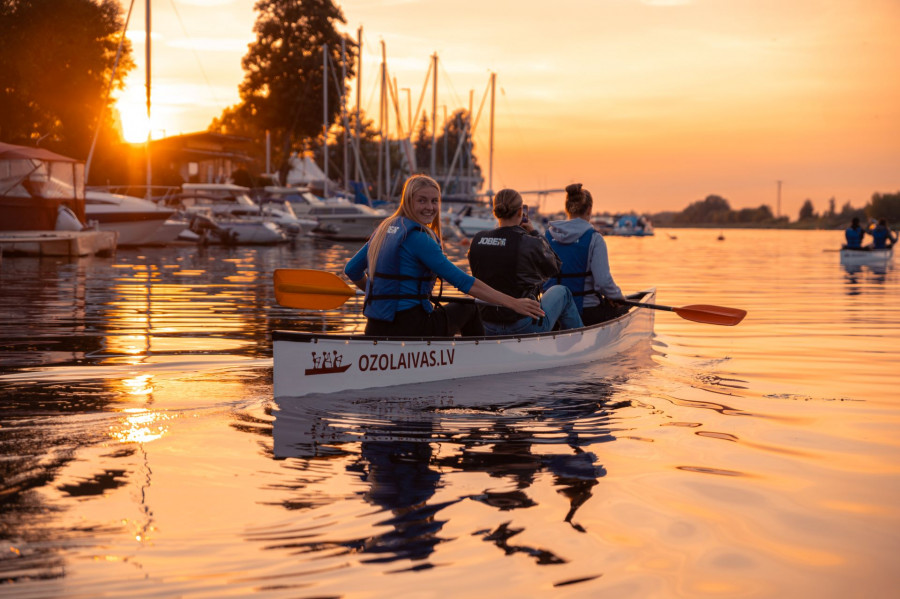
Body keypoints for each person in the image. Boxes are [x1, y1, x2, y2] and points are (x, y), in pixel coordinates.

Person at [344, 174, 544, 337]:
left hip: (375, 327)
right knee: (469, 308)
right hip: (410, 328)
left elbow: (352, 269)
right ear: (407, 201)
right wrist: (514, 303)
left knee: (457, 307)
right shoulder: (419, 238)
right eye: (421, 201)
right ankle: (478, 362)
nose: (429, 207)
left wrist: (379, 295)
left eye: (434, 201)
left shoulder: (384, 229)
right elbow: (466, 283)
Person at [467, 189, 583, 335]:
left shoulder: (478, 239)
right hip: (522, 325)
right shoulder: (527, 242)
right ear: (520, 211)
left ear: (495, 211)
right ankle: (579, 342)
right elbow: (555, 266)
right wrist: (534, 233)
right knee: (562, 292)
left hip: (485, 324)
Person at [544, 183, 626, 325]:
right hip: (586, 311)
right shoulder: (595, 238)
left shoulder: (547, 236)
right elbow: (603, 282)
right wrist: (618, 297)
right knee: (624, 310)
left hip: (551, 313)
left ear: (567, 208)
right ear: (589, 209)